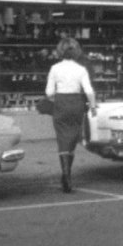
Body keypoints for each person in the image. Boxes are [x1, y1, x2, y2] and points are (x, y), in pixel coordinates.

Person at [45, 37, 97, 193]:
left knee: (62, 139)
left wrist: (54, 99)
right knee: (73, 138)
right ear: (76, 52)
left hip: (61, 102)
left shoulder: (55, 68)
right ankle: (67, 174)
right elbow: (88, 90)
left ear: (60, 51)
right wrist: (93, 106)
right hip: (76, 104)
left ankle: (65, 174)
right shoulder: (81, 69)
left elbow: (49, 92)